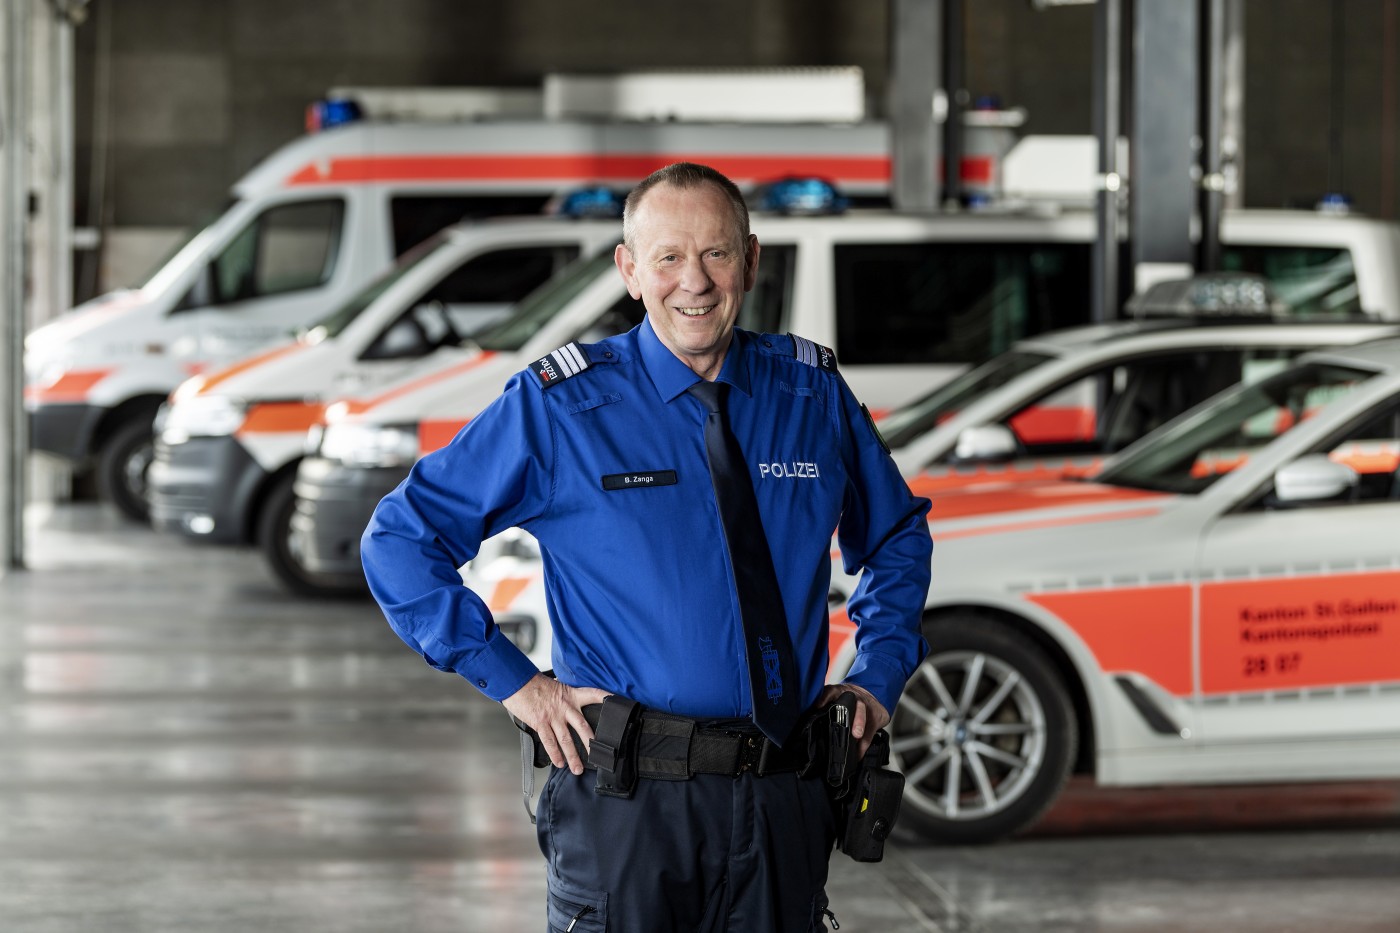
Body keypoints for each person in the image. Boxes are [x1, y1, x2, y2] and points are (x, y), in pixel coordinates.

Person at [361, 162, 932, 932]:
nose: (693, 282)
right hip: (628, 807)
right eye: (667, 257)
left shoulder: (812, 396)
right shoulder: (560, 408)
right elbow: (401, 537)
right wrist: (520, 686)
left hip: (784, 797)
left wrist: (878, 675)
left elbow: (896, 533)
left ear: (752, 261)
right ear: (630, 271)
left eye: (717, 254)